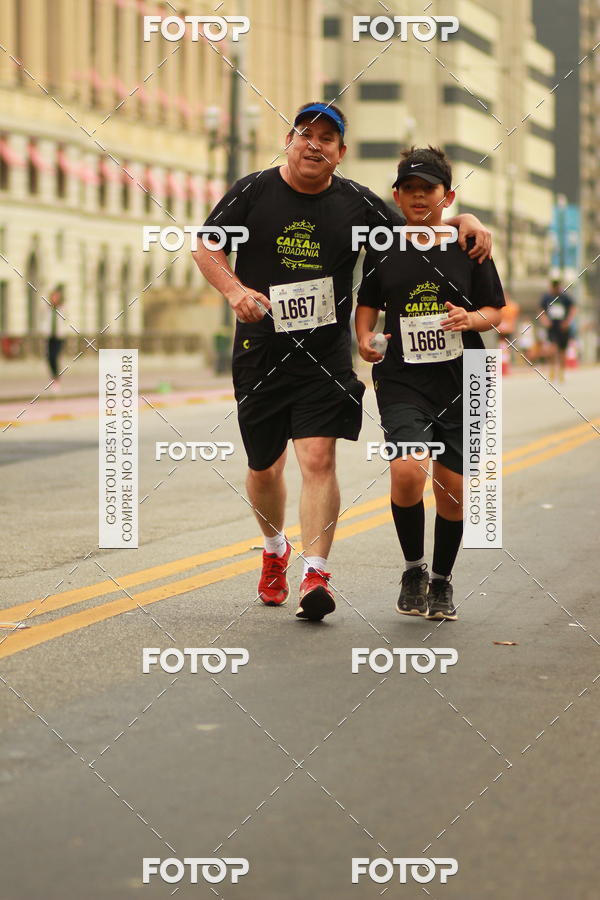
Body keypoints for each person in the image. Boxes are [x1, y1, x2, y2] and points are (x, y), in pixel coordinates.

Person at [193, 105, 492, 622]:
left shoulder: (357, 202)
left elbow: (418, 226)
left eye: (327, 138)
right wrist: (234, 290)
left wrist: (466, 220)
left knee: (317, 459)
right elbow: (205, 245)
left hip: (324, 355)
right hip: (261, 350)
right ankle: (274, 549)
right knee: (265, 466)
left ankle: (315, 572)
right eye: (305, 134)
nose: (314, 144)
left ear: (341, 152)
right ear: (289, 141)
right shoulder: (253, 190)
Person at [355, 146, 505, 621]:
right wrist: (365, 338)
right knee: (407, 470)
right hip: (402, 378)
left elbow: (496, 311)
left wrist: (471, 319)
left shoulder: (469, 245)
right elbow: (368, 303)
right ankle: (413, 570)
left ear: (448, 196)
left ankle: (441, 581)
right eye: (410, 189)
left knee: (452, 490)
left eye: (429, 189)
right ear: (397, 196)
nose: (419, 197)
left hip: (463, 379)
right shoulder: (384, 246)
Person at [539, 278, 576, 381]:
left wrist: (568, 321)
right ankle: (552, 369)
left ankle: (561, 371)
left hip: (563, 327)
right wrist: (545, 320)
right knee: (552, 349)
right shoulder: (547, 297)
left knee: (562, 350)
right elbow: (541, 310)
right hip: (552, 327)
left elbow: (573, 309)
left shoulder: (565, 297)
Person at [45, 285, 66, 391]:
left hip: (59, 337)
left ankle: (56, 379)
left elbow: (67, 322)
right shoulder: (48, 309)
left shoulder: (63, 309)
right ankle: (54, 377)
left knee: (54, 356)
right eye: (53, 297)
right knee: (49, 357)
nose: (54, 299)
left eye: (56, 297)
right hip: (50, 336)